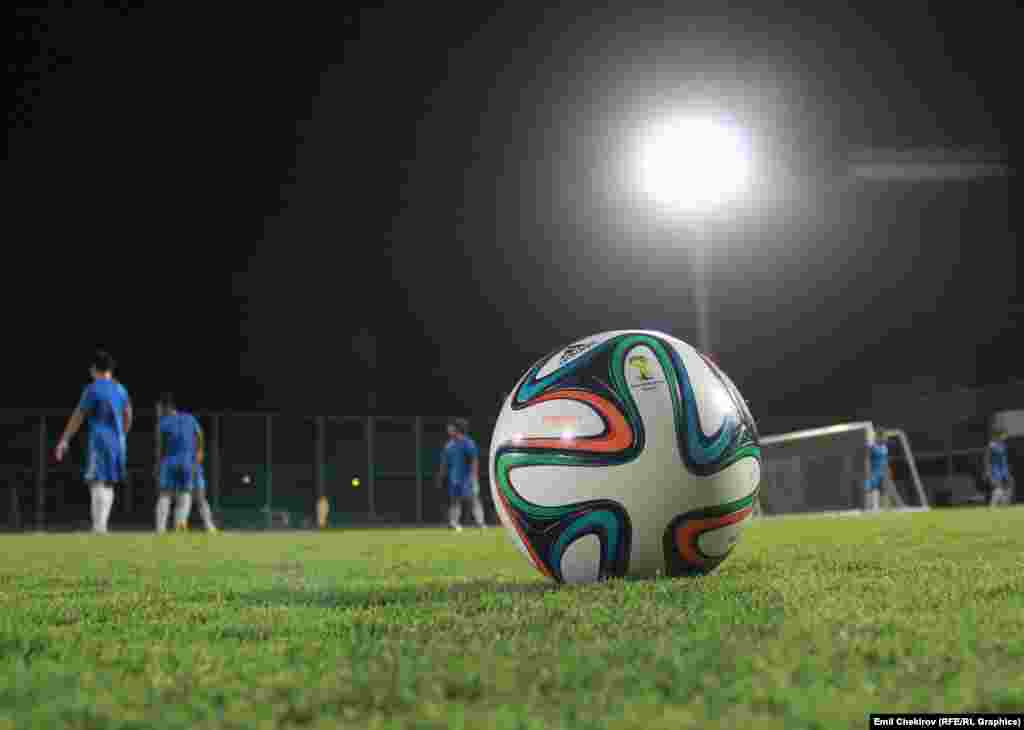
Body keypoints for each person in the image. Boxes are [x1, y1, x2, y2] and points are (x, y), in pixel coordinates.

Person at [54, 350, 132, 533]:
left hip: (99, 440)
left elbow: (78, 416)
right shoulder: (121, 389)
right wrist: (123, 435)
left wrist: (64, 439)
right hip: (118, 441)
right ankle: (102, 526)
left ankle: (99, 527)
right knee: (110, 482)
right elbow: (128, 414)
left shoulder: (92, 388)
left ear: (94, 368)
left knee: (96, 481)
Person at [155, 392, 203, 532]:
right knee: (185, 493)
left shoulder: (163, 422)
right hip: (189, 463)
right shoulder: (190, 418)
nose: (158, 411)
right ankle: (180, 524)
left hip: (170, 461)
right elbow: (199, 434)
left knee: (165, 494)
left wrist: (157, 464)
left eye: (159, 408)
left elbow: (160, 446)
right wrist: (199, 452)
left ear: (166, 407)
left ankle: (161, 529)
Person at [436, 417, 485, 530]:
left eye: (450, 427)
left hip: (467, 478)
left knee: (473, 499)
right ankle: (453, 523)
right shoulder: (449, 445)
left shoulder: (468, 443)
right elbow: (445, 462)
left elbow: (474, 460)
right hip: (454, 479)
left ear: (457, 428)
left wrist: (474, 477)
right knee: (454, 501)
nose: (448, 429)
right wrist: (441, 476)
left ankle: (480, 523)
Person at [984, 427, 1015, 507]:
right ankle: (993, 505)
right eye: (1004, 434)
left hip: (1004, 469)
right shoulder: (991, 445)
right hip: (995, 469)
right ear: (999, 435)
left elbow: (1004, 458)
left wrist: (1007, 469)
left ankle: (1004, 503)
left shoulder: (1003, 445)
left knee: (1010, 484)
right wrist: (987, 471)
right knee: (999, 487)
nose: (1006, 436)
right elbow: (987, 459)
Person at [865, 431, 890, 512]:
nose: (885, 439)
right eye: (883, 437)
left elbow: (885, 460)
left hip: (883, 473)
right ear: (878, 437)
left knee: (884, 491)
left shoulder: (885, 448)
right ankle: (868, 509)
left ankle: (886, 510)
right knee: (869, 490)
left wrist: (888, 470)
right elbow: (867, 460)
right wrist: (868, 472)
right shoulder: (871, 447)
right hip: (873, 473)